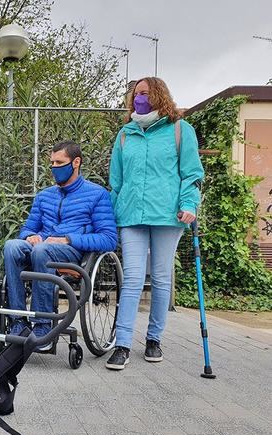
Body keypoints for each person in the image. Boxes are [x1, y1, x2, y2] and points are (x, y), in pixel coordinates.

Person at [106, 77, 204, 370]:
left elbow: (191, 172)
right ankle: (122, 343)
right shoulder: (125, 134)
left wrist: (188, 203)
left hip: (166, 215)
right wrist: (112, 215)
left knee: (161, 279)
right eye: (136, 94)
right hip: (132, 216)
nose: (140, 98)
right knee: (133, 278)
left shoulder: (179, 130)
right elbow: (116, 181)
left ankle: (153, 339)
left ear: (159, 95)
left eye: (145, 93)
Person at [3, 141, 117, 351]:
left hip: (72, 253)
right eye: (52, 163)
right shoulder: (44, 195)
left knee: (42, 250)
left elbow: (109, 238)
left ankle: (44, 325)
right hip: (42, 247)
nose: (55, 167)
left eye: (60, 162)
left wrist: (68, 239)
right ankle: (18, 321)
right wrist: (30, 236)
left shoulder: (97, 194)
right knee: (12, 246)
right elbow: (27, 228)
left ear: (76, 162)